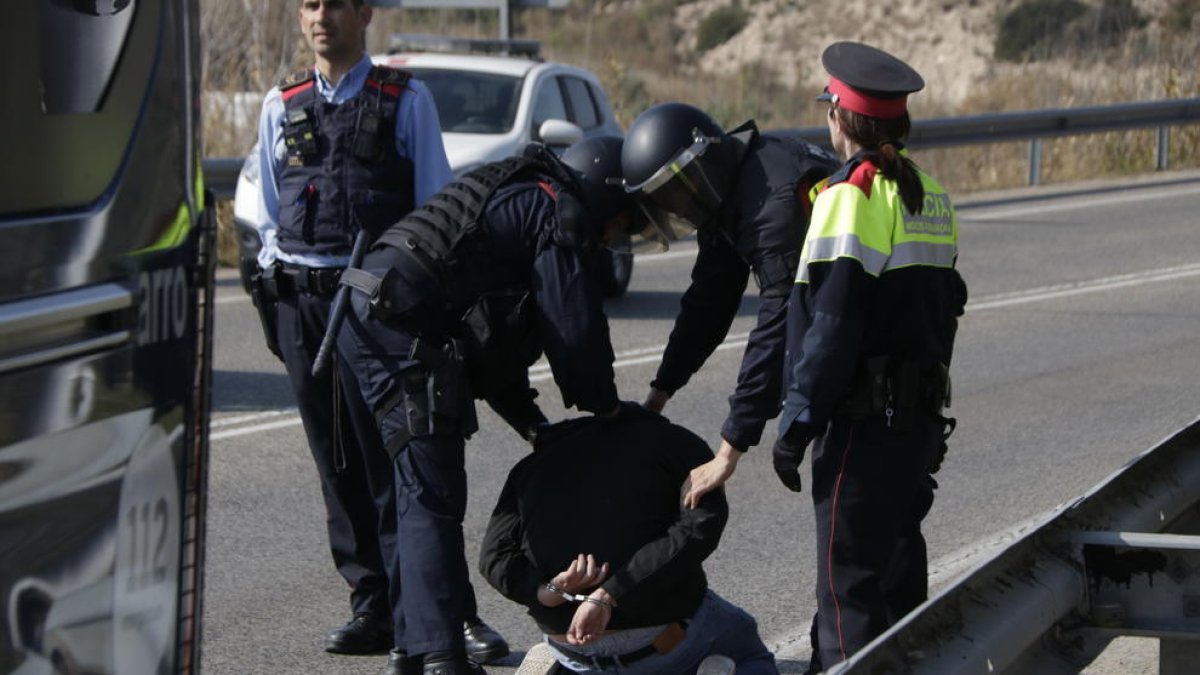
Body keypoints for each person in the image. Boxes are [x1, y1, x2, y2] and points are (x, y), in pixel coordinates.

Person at [249, 0, 507, 664]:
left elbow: (433, 206)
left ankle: (446, 613)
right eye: (309, 4)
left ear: (364, 13)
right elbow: (271, 212)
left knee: (405, 463)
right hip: (305, 301)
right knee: (336, 463)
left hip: (378, 305)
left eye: (335, 4)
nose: (320, 17)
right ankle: (373, 604)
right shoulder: (282, 104)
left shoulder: (405, 99)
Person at [334, 135, 652, 675]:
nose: (612, 238)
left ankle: (411, 651)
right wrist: (609, 412)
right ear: (604, 198)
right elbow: (572, 334)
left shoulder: (514, 187)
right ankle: (441, 659)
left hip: (358, 316)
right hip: (402, 330)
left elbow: (488, 344)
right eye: (619, 225)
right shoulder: (560, 211)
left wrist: (533, 424)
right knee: (430, 500)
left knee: (401, 495)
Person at [772, 41, 967, 671]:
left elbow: (829, 323)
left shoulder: (848, 197)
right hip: (913, 421)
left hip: (860, 426)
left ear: (840, 117)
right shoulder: (932, 196)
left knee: (845, 585)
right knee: (897, 571)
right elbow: (942, 315)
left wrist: (797, 420)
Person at [619, 102, 840, 509]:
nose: (675, 209)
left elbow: (779, 325)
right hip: (844, 328)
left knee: (848, 532)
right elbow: (709, 302)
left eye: (674, 194)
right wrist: (659, 393)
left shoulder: (770, 204)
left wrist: (728, 452)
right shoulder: (733, 189)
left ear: (699, 167)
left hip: (872, 345)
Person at [479, 412, 779, 675]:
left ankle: (564, 668)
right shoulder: (674, 442)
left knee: (570, 653)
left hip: (567, 641)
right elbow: (699, 528)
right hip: (660, 642)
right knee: (745, 645)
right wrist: (609, 595)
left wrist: (547, 592)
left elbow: (493, 556)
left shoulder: (532, 463)